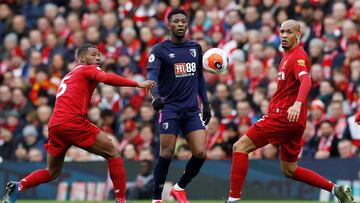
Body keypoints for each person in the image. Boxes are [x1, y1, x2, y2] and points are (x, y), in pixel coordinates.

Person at [2, 44, 155, 203]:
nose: (98, 58)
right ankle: (121, 200)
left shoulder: (69, 74)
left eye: (99, 54)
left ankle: (19, 185)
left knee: (52, 172)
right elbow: (107, 78)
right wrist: (137, 84)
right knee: (113, 153)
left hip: (55, 125)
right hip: (72, 121)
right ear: (82, 58)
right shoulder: (86, 68)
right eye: (93, 54)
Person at [225, 20, 354, 203]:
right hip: (295, 122)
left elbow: (306, 81)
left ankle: (233, 200)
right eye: (282, 32)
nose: (284, 35)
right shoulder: (287, 56)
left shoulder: (297, 57)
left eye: (289, 32)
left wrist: (297, 104)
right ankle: (336, 189)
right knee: (290, 169)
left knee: (240, 147)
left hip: (283, 116)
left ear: (298, 35)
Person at [147, 8, 211, 203]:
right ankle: (156, 199)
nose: (181, 24)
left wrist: (206, 104)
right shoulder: (160, 50)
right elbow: (152, 76)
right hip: (170, 108)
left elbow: (199, 76)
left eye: (184, 21)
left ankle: (179, 187)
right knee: (166, 153)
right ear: (169, 25)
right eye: (176, 21)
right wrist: (155, 96)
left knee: (200, 152)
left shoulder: (195, 48)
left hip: (191, 109)